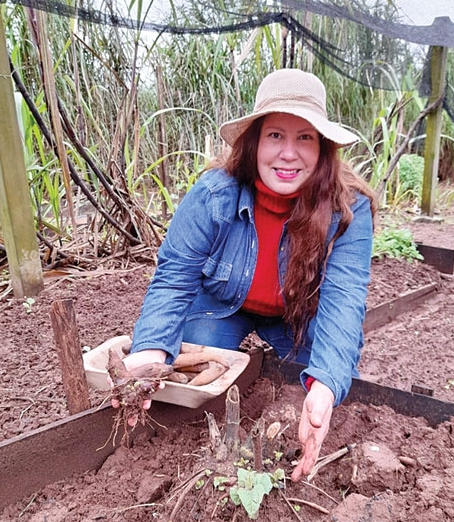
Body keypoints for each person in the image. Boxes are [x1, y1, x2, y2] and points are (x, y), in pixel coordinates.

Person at [115, 68, 376, 481]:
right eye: (276, 135)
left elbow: (344, 301)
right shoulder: (213, 194)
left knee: (329, 390)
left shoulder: (348, 210)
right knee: (192, 386)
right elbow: (174, 278)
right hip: (222, 305)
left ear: (323, 147)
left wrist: (325, 386)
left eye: (304, 137)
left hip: (297, 314)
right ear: (254, 141)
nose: (288, 153)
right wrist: (149, 352)